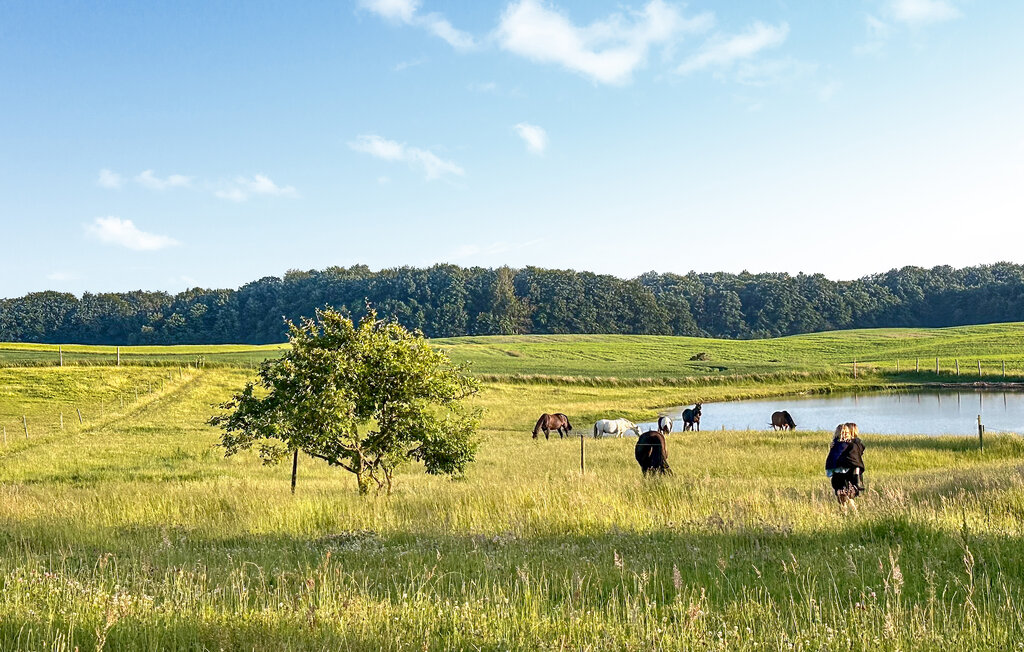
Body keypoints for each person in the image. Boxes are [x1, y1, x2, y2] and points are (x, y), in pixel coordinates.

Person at [825, 423, 865, 509]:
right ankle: (851, 512)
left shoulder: (849, 444)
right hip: (846, 474)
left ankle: (848, 511)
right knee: (846, 496)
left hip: (841, 474)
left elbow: (833, 459)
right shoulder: (851, 444)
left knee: (843, 496)